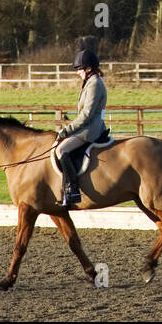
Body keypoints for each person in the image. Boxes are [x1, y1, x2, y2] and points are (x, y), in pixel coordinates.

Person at [54, 40, 107, 207]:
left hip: (90, 129)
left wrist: (66, 130)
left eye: (79, 69)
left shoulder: (95, 84)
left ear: (89, 68)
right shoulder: (90, 82)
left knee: (62, 149)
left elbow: (86, 114)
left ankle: (72, 190)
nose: (77, 73)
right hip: (87, 126)